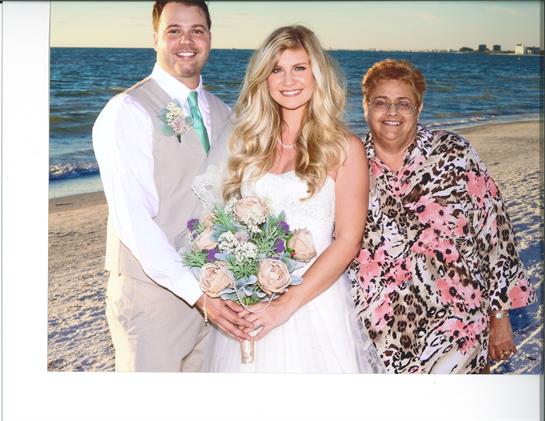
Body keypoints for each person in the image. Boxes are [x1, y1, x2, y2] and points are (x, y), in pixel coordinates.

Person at [200, 25, 384, 373]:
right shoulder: (247, 144)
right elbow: (225, 223)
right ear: (264, 79)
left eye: (299, 67)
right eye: (276, 69)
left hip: (313, 304)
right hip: (250, 304)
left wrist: (284, 305)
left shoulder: (345, 148)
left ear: (317, 73)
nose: (288, 79)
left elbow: (347, 241)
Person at [92, 0, 252, 372]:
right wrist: (196, 293)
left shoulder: (222, 111)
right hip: (153, 298)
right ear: (155, 39)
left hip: (214, 293)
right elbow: (134, 220)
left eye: (197, 30)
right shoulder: (126, 111)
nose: (187, 40)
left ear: (210, 38)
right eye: (173, 31)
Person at [348, 58, 536, 374]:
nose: (392, 112)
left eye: (403, 103)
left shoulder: (454, 152)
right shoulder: (347, 163)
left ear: (419, 109)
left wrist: (500, 316)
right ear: (365, 106)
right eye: (381, 102)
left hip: (458, 326)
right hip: (376, 330)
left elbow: (494, 231)